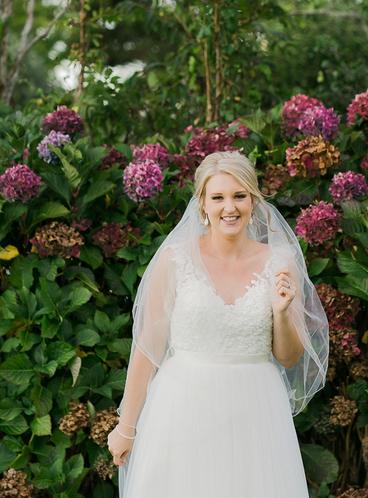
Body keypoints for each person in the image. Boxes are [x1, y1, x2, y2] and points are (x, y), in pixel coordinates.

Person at [107, 150, 329, 498]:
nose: (230, 207)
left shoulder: (280, 262)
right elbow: (148, 348)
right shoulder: (174, 260)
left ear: (253, 201)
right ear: (202, 204)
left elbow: (288, 357)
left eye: (240, 196)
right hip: (182, 407)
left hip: (254, 409)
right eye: (218, 197)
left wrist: (283, 313)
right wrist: (126, 426)